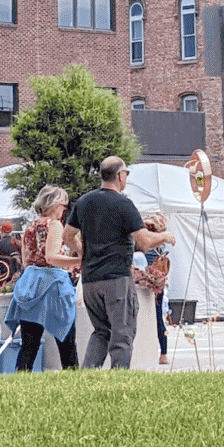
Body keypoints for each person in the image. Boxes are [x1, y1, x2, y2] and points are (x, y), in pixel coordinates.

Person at [66, 156, 174, 369]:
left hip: (90, 281)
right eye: (126, 173)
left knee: (101, 332)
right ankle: (119, 380)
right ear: (119, 176)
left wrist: (83, 252)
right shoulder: (124, 204)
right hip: (116, 280)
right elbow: (143, 242)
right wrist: (165, 236)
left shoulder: (84, 202)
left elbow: (68, 236)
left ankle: (87, 375)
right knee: (122, 334)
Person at [8, 185, 82, 371]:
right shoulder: (54, 225)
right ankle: (73, 380)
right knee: (66, 341)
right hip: (53, 284)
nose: (64, 210)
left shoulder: (31, 226)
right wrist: (79, 259)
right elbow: (51, 257)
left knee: (29, 345)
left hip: (30, 283)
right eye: (64, 205)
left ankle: (20, 381)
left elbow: (26, 259)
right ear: (55, 204)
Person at [135, 213, 172, 366]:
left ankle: (163, 352)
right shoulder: (151, 242)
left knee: (157, 316)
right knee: (152, 316)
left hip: (152, 282)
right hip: (145, 281)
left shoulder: (154, 242)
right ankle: (160, 352)